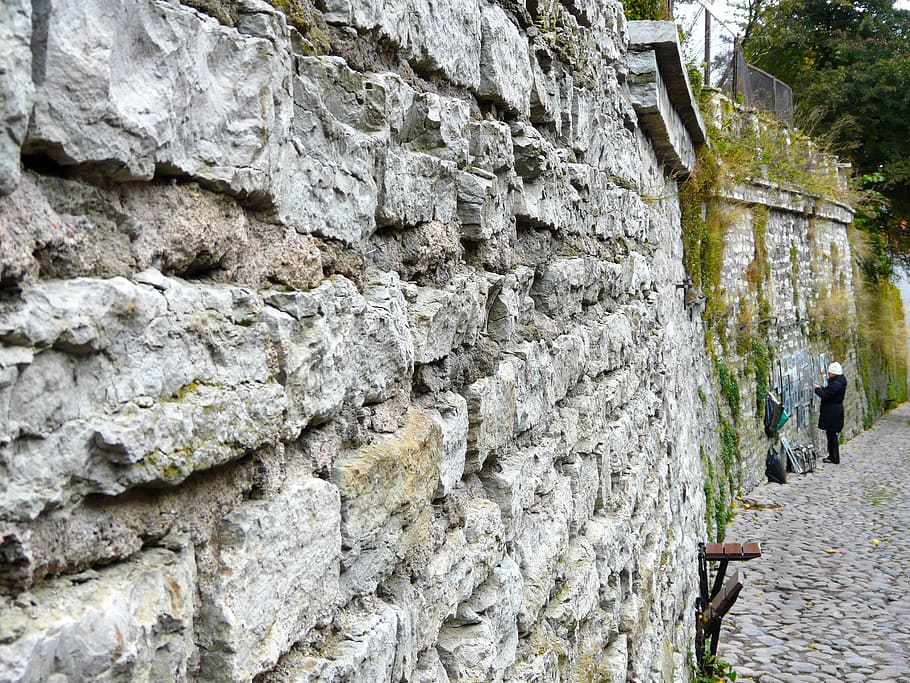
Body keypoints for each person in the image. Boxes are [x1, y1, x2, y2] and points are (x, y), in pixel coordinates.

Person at [813, 362, 847, 464]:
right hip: (834, 410)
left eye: (830, 373)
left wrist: (817, 389)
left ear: (834, 373)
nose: (828, 374)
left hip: (833, 412)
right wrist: (821, 388)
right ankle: (832, 456)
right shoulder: (839, 382)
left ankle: (834, 457)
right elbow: (828, 392)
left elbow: (826, 395)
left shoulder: (837, 384)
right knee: (831, 434)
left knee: (832, 435)